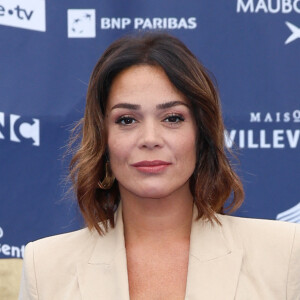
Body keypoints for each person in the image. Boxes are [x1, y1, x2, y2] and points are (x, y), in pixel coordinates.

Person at [19, 32, 300, 300]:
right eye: (127, 120)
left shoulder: (285, 253)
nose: (150, 139)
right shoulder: (44, 268)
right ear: (103, 139)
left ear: (201, 134)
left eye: (172, 118)